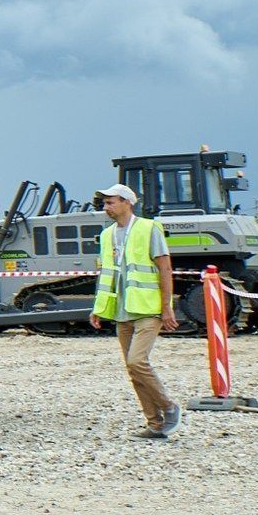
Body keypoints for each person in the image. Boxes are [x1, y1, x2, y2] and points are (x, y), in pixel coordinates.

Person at [89, 182, 181, 439]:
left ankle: (169, 407)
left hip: (148, 309)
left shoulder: (149, 229)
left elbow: (165, 269)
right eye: (104, 203)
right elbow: (106, 274)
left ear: (127, 203)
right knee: (133, 370)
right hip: (122, 311)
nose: (106, 207)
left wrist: (166, 307)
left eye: (110, 202)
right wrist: (98, 308)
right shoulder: (107, 235)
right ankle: (155, 424)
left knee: (136, 361)